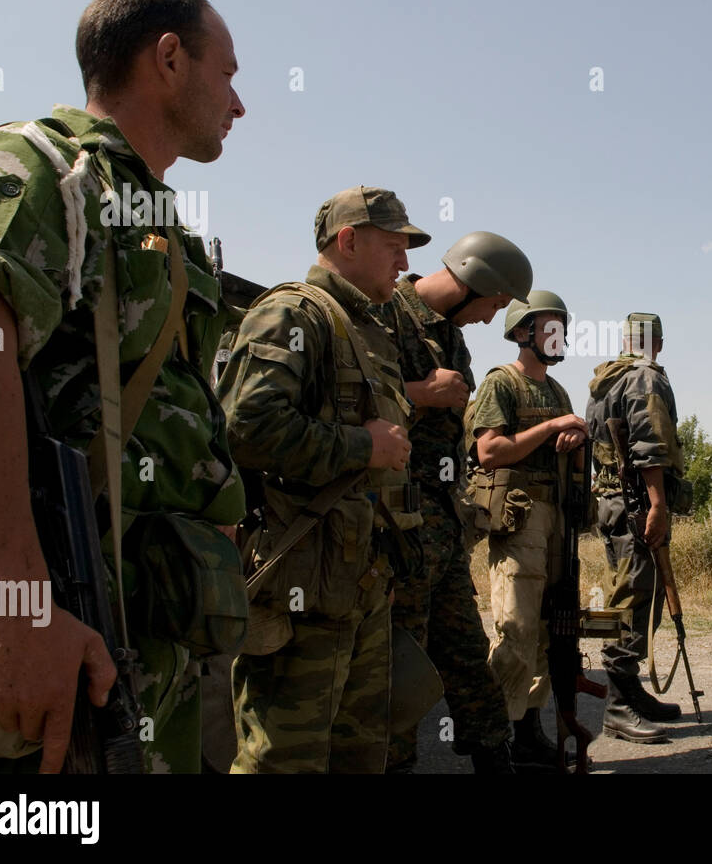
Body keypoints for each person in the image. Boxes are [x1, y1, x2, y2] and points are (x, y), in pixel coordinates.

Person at [0, 0, 246, 773]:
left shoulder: (156, 216)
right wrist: (14, 604)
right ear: (170, 58)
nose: (239, 103)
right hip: (62, 624)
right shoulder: (33, 166)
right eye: (229, 74)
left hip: (151, 627)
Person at [220, 186, 426, 773]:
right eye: (394, 245)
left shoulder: (370, 331)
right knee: (282, 761)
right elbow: (246, 429)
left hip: (359, 585)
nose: (405, 262)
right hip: (300, 592)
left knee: (359, 756)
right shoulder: (293, 313)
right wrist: (365, 445)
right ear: (349, 240)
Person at [375, 230, 532, 773]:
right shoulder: (384, 311)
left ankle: (493, 754)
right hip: (394, 521)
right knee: (401, 656)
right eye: (492, 305)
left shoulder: (452, 336)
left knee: (465, 649)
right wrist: (420, 394)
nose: (491, 319)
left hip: (440, 523)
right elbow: (347, 395)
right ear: (473, 285)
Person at [467, 290, 588, 770]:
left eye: (563, 327)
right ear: (522, 332)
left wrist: (575, 434)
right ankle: (494, 735)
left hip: (556, 517)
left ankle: (527, 731)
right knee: (515, 625)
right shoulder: (502, 383)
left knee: (546, 629)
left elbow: (564, 438)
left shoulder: (557, 390)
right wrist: (553, 426)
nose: (559, 337)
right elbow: (489, 452)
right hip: (519, 518)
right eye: (550, 327)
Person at [586, 312, 689, 744]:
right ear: (659, 343)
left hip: (612, 502)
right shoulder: (644, 377)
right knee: (633, 597)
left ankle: (631, 693)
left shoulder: (607, 378)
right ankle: (618, 704)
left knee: (633, 595)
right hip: (636, 504)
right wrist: (659, 503)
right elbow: (649, 445)